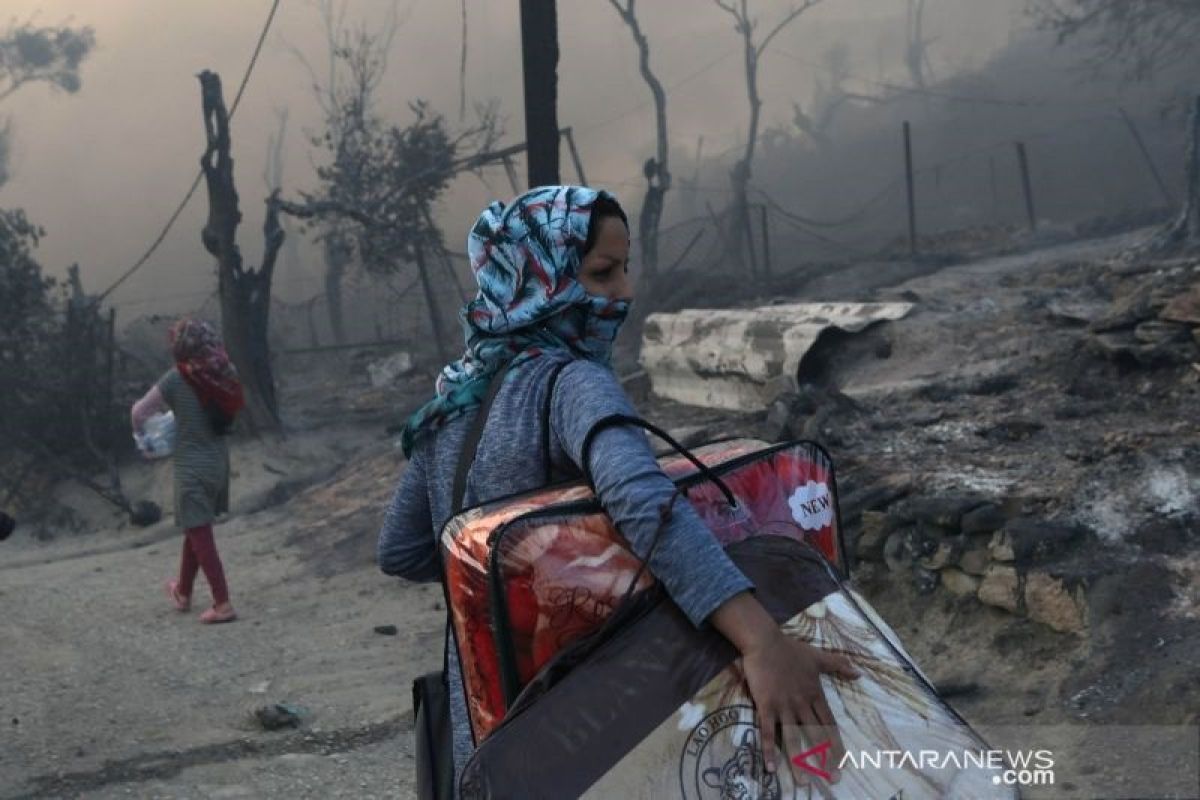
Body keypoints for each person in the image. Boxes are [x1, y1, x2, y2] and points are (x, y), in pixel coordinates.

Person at [378, 186, 858, 793]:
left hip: (491, 715)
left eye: (625, 269)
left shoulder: (451, 405)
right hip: (595, 712)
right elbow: (642, 502)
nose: (625, 292)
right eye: (602, 273)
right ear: (541, 279)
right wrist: (761, 641)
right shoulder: (574, 382)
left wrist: (507, 571)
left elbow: (402, 551)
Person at [131, 318, 242, 624]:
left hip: (192, 465)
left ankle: (222, 604)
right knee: (195, 526)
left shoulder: (176, 379)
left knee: (200, 533)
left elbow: (139, 412)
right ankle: (182, 591)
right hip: (219, 462)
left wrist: (143, 437)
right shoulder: (224, 372)